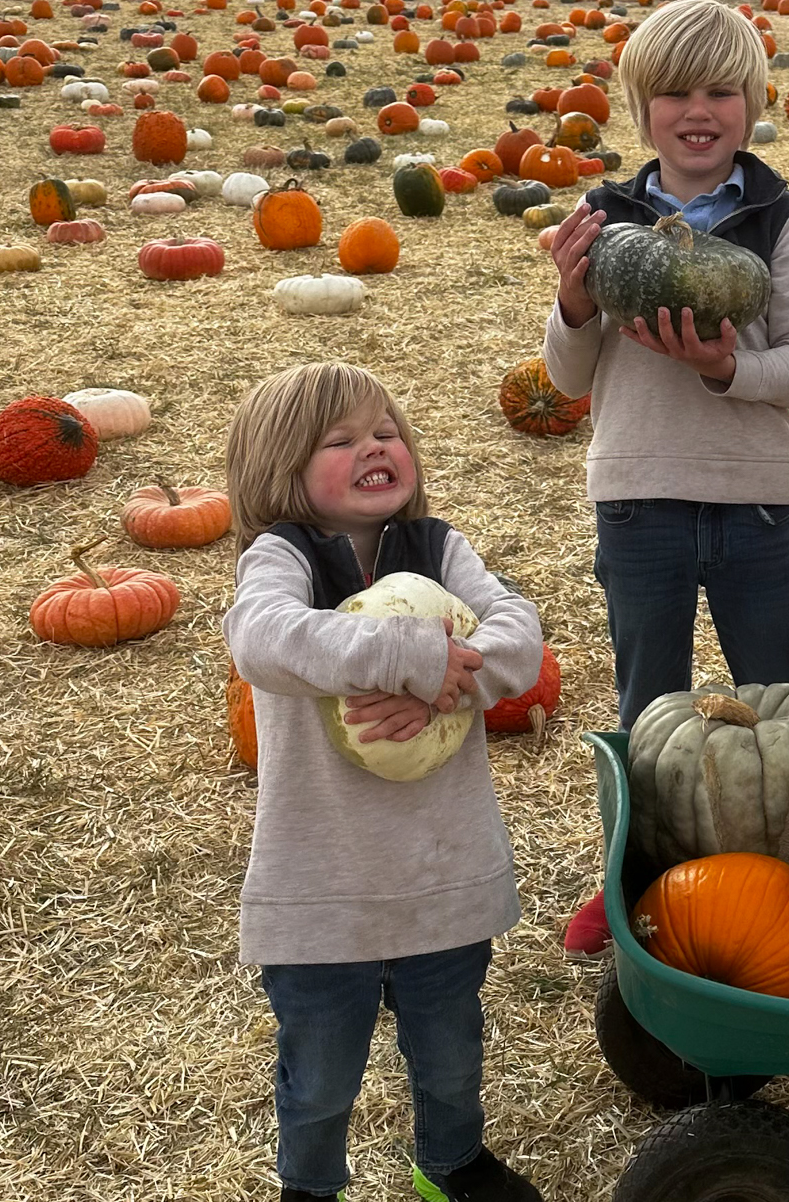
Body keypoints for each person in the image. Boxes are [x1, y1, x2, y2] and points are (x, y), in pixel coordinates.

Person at [544, 0, 789, 954]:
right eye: (674, 93)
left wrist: (725, 369)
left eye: (720, 91)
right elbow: (565, 379)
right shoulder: (603, 219)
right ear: (640, 107)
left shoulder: (784, 219)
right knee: (648, 707)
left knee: (782, 698)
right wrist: (572, 305)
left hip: (754, 499)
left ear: (754, 105)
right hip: (637, 497)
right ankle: (636, 878)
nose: (697, 111)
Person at [223, 362, 545, 1202]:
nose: (374, 447)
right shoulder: (279, 558)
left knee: (450, 1053)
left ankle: (451, 1163)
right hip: (323, 887)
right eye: (341, 440)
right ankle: (311, 1186)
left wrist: (454, 679)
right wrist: (403, 657)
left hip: (442, 873)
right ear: (280, 468)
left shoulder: (438, 546)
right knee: (321, 1077)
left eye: (386, 432)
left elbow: (518, 634)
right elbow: (260, 637)